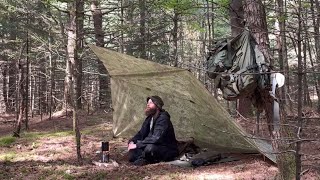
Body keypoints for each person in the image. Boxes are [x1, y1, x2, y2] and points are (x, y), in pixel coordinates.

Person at [127, 95, 179, 166]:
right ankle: (144, 158)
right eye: (147, 103)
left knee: (150, 149)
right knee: (133, 150)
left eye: (151, 103)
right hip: (152, 144)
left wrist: (137, 145)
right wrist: (132, 141)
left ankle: (144, 158)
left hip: (166, 148)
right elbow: (141, 133)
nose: (148, 104)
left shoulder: (163, 119)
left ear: (157, 106)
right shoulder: (149, 118)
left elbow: (156, 138)